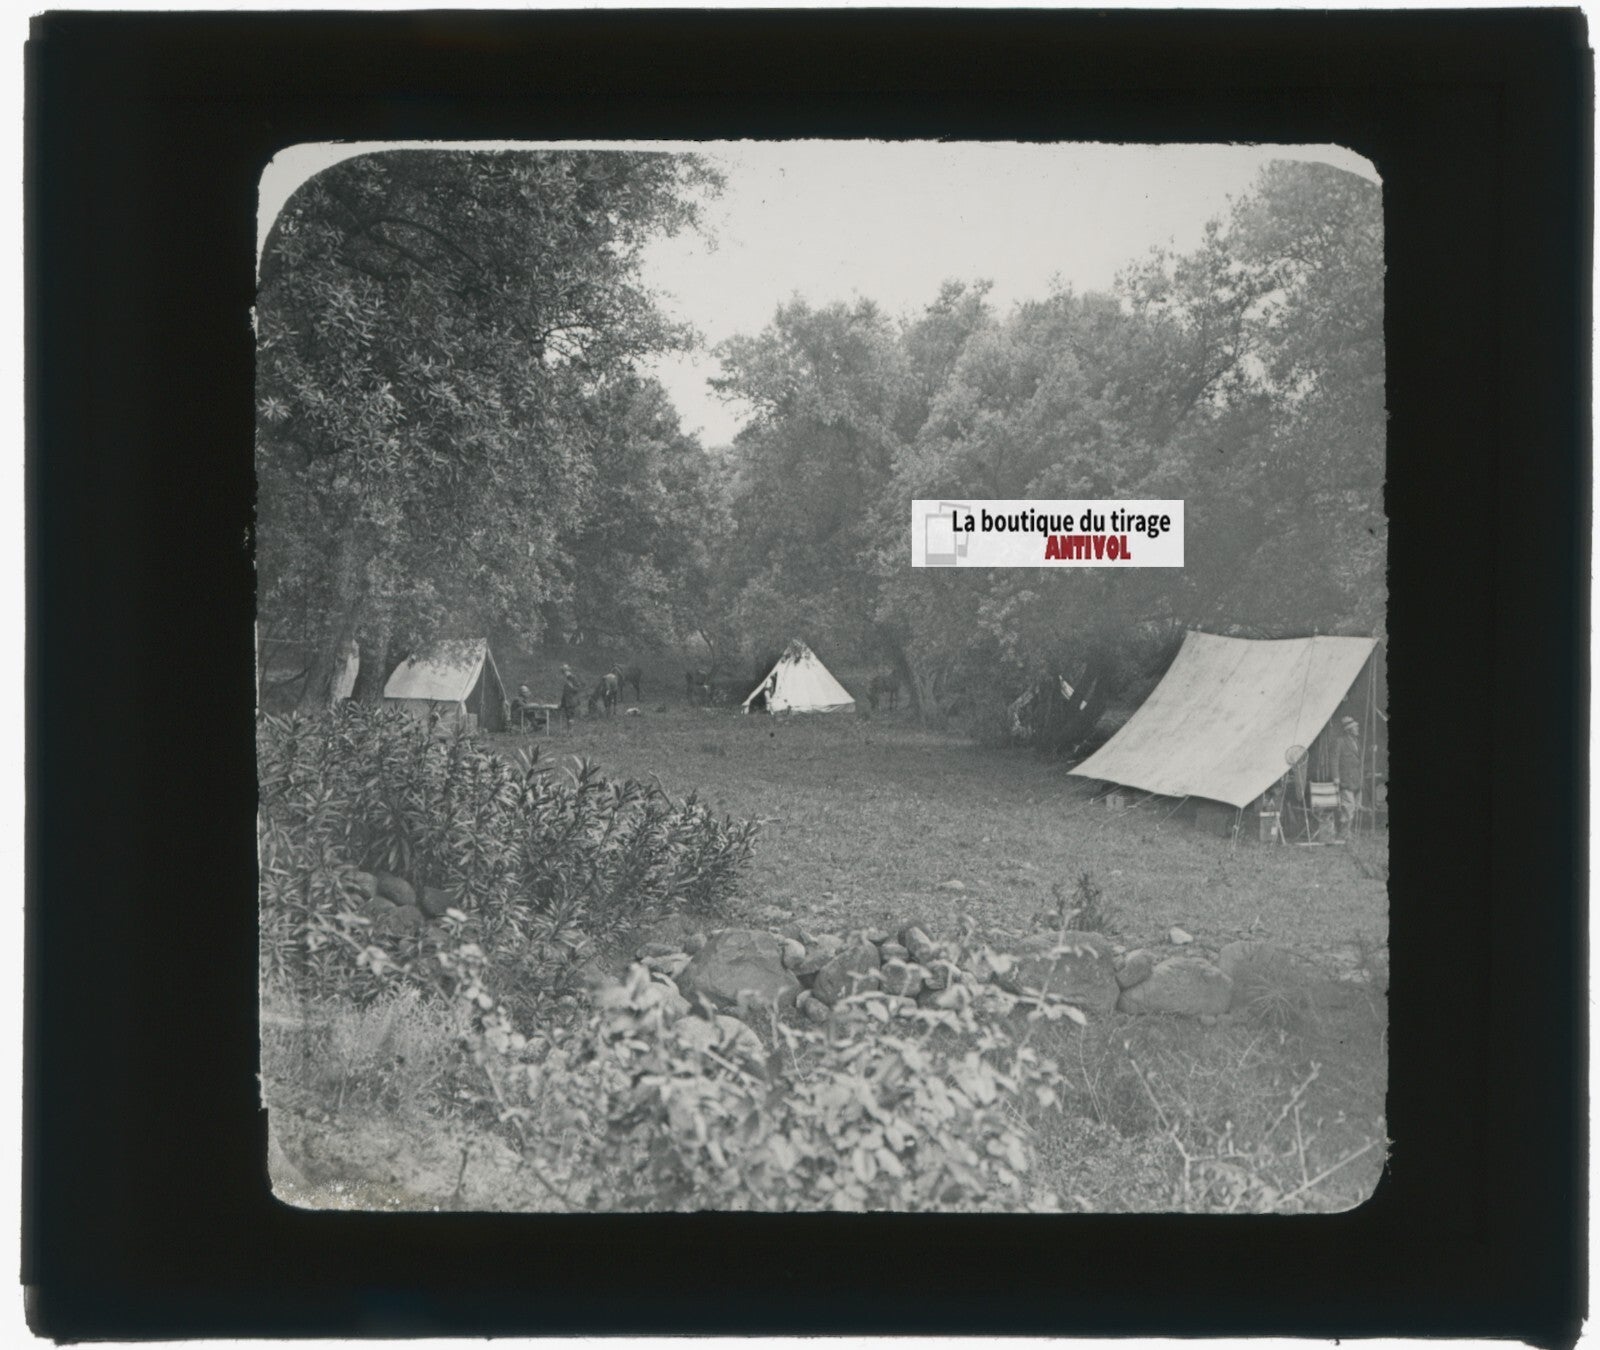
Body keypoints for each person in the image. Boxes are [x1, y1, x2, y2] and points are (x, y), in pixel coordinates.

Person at [1332, 715, 1363, 841]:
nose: (1357, 728)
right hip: (1345, 779)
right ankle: (1344, 833)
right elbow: (1334, 760)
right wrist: (1335, 777)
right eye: (1355, 727)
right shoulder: (1340, 741)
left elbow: (1358, 759)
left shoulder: (1356, 741)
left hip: (1356, 779)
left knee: (1354, 806)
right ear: (1349, 729)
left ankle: (1347, 832)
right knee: (1348, 807)